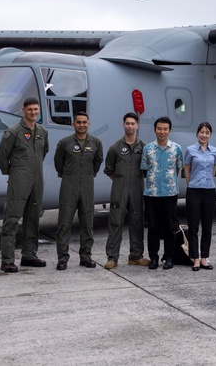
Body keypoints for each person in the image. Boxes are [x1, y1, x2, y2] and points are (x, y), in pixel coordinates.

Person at [0, 97, 49, 273]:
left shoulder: (42, 131)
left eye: (36, 109)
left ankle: (29, 255)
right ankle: (8, 260)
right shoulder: (13, 132)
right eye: (30, 110)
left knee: (33, 218)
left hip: (36, 179)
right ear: (23, 110)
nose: (33, 112)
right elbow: (1, 157)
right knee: (12, 219)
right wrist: (13, 172)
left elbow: (44, 152)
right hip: (19, 179)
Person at [53, 112, 103, 271]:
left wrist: (89, 174)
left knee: (87, 223)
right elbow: (58, 163)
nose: (82, 125)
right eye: (79, 122)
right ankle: (62, 258)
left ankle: (86, 256)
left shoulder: (96, 142)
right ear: (73, 124)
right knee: (64, 224)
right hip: (69, 185)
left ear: (89, 124)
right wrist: (68, 174)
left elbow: (98, 162)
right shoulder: (65, 143)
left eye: (85, 122)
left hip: (87, 185)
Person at [103, 112, 150, 269]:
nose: (130, 126)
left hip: (137, 188)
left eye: (133, 123)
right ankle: (112, 257)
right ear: (123, 125)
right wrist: (121, 182)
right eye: (127, 123)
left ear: (137, 126)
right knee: (115, 222)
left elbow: (147, 170)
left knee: (137, 222)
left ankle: (135, 256)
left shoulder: (144, 147)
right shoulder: (115, 148)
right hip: (119, 190)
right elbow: (109, 170)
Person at [140, 116, 184, 270]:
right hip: (151, 194)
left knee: (169, 227)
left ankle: (169, 257)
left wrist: (168, 180)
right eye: (159, 129)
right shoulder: (148, 149)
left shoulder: (176, 148)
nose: (162, 132)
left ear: (169, 130)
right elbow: (145, 168)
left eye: (165, 129)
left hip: (170, 193)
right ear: (155, 130)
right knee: (153, 228)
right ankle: (153, 257)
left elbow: (177, 169)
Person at [184, 122, 216, 271]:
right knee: (193, 226)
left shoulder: (214, 151)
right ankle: (195, 258)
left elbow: (214, 169)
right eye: (201, 132)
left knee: (207, 226)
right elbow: (187, 170)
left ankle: (204, 257)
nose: (204, 135)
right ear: (197, 133)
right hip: (194, 190)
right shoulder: (190, 150)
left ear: (210, 135)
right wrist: (192, 183)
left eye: (207, 132)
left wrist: (207, 181)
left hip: (209, 190)